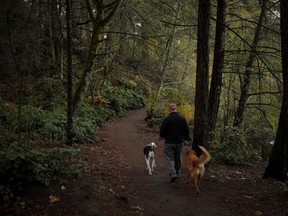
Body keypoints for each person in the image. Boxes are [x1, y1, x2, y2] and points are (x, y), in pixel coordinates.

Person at [160, 103, 190, 182]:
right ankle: (178, 173)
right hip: (180, 142)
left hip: (169, 142)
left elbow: (162, 133)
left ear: (169, 109)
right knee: (178, 157)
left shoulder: (166, 119)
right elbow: (187, 131)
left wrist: (163, 136)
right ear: (176, 109)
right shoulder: (182, 119)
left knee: (169, 158)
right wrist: (184, 138)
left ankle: (172, 173)